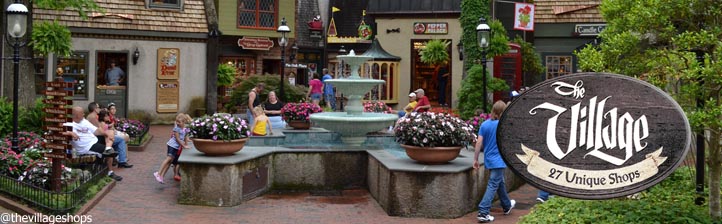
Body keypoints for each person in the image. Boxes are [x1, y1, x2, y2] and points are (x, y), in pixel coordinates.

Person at [473, 101, 515, 223]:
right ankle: (483, 211)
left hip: (489, 159)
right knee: (493, 184)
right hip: (500, 160)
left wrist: (475, 159)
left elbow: (478, 143)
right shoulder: (504, 125)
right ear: (503, 111)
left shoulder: (485, 125)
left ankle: (507, 205)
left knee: (499, 182)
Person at [63, 107, 123, 181]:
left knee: (110, 132)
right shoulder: (68, 124)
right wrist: (70, 133)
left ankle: (108, 149)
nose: (84, 114)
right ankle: (110, 172)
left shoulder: (83, 121)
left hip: (94, 141)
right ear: (77, 115)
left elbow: (96, 131)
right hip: (87, 147)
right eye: (82, 113)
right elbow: (59, 132)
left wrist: (106, 134)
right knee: (111, 150)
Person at [87, 102, 133, 168]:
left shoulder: (93, 116)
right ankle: (122, 161)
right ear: (95, 109)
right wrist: (108, 134)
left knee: (118, 139)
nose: (99, 109)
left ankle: (119, 160)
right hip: (99, 138)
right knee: (121, 140)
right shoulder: (93, 117)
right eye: (98, 107)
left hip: (100, 136)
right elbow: (99, 129)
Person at [153, 113, 192, 184]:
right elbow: (177, 139)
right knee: (168, 159)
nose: (177, 123)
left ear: (184, 122)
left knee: (170, 162)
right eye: (177, 121)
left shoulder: (185, 129)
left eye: (179, 122)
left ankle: (161, 177)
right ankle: (158, 173)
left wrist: (187, 144)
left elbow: (186, 137)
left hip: (176, 147)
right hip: (171, 145)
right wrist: (184, 146)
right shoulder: (176, 129)